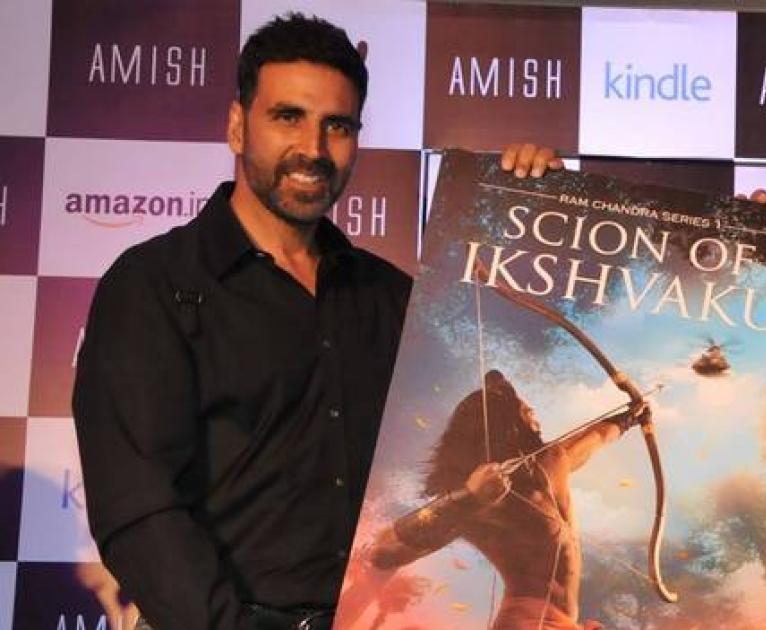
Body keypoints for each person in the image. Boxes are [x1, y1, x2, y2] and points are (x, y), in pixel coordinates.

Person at [71, 13, 562, 630]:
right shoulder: (152, 285)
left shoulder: (392, 299)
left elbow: (485, 410)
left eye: (337, 125)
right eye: (288, 117)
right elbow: (137, 509)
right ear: (236, 126)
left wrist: (534, 207)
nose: (313, 148)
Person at [358, 370, 645, 630]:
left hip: (563, 621)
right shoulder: (488, 500)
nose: (534, 413)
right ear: (509, 425)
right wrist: (469, 499)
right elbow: (385, 550)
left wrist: (631, 417)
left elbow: (594, 438)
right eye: (525, 411)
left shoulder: (552, 460)